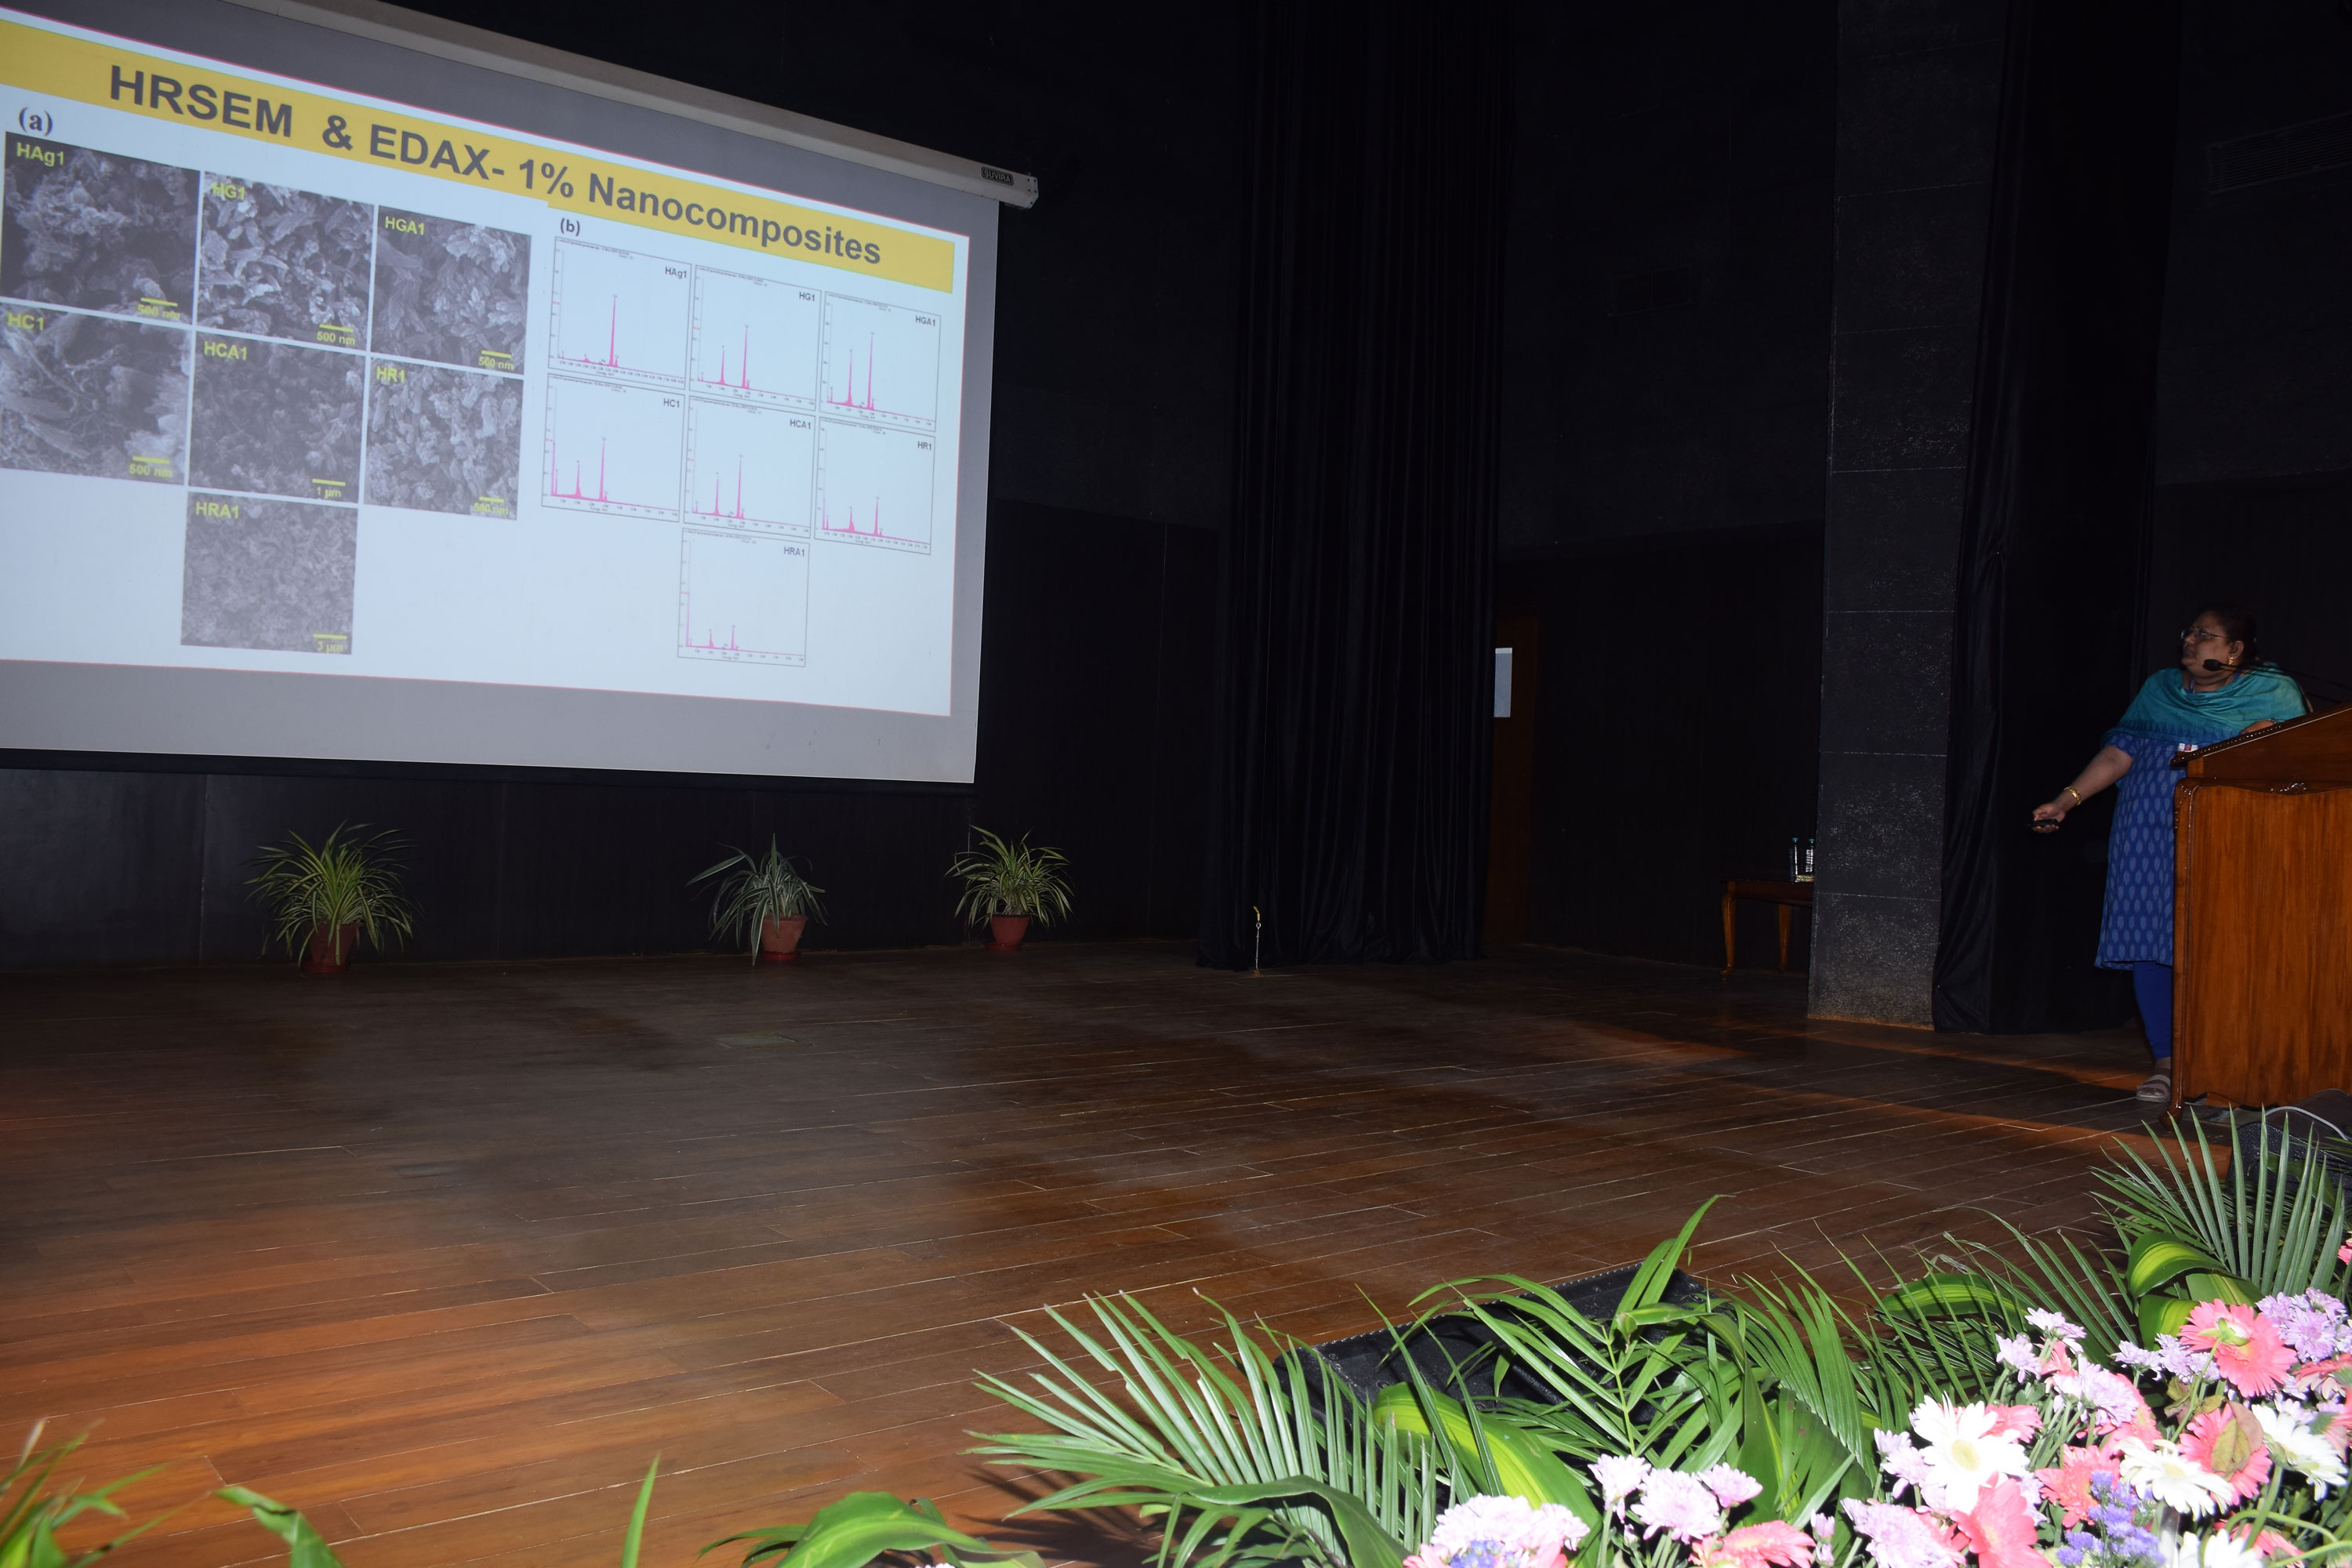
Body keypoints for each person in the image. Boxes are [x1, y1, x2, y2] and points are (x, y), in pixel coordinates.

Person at [2029, 605, 2307, 1103]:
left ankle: (2222, 1061)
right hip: (2144, 837)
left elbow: (2289, 761)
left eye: (2205, 634)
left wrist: (2258, 740)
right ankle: (2167, 1064)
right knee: (2149, 940)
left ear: (2235, 650)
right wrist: (2065, 801)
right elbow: (2119, 754)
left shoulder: (2273, 692)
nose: (2191, 641)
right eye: (2189, 632)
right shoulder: (2159, 688)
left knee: (2218, 943)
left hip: (2228, 836)